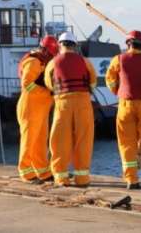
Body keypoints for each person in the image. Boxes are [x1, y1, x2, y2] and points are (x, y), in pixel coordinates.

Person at [106, 30, 141, 190]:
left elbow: (110, 81)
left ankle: (132, 180)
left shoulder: (118, 60)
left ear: (128, 44)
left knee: (126, 143)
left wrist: (119, 92)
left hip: (126, 105)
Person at [44, 31, 97, 187]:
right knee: (83, 139)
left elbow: (48, 83)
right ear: (75, 45)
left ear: (60, 45)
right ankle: (82, 179)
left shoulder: (53, 63)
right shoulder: (85, 61)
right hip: (83, 102)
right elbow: (93, 83)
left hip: (62, 103)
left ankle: (61, 178)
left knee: (60, 140)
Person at [16, 34, 60, 183]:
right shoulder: (34, 62)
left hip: (40, 107)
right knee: (29, 140)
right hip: (30, 107)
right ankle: (25, 172)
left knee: (40, 141)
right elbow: (27, 84)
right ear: (46, 51)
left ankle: (43, 172)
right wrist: (48, 92)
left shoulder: (42, 63)